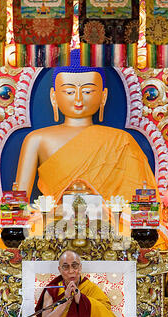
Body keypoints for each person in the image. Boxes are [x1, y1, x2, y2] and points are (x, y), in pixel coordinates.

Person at [15, 49, 159, 204]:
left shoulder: (121, 140)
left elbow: (140, 203)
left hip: (108, 223)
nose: (78, 99)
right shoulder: (37, 140)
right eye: (69, 92)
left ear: (103, 96)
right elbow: (18, 201)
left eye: (88, 91)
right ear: (53, 96)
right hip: (54, 222)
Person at [35, 250, 122, 317]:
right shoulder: (52, 290)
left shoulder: (90, 288)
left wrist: (82, 299)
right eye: (65, 267)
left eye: (74, 266)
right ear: (60, 269)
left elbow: (106, 315)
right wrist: (65, 301)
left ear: (80, 267)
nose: (71, 271)